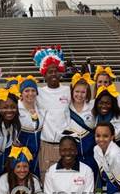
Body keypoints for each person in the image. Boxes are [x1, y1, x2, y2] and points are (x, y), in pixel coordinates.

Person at [33, 45, 69, 179]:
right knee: (47, 179)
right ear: (44, 74)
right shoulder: (39, 92)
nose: (53, 74)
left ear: (60, 72)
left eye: (55, 71)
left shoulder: (68, 91)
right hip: (46, 144)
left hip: (65, 144)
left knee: (65, 178)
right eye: (49, 72)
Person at [68, 72, 96, 173]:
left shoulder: (92, 106)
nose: (79, 95)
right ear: (72, 91)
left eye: (83, 92)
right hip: (71, 154)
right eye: (77, 91)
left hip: (90, 154)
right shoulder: (66, 107)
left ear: (87, 93)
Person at [17, 76, 43, 177]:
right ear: (21, 94)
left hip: (38, 156)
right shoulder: (16, 109)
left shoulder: (40, 108)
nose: (30, 93)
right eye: (26, 91)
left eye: (33, 90)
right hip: (22, 155)